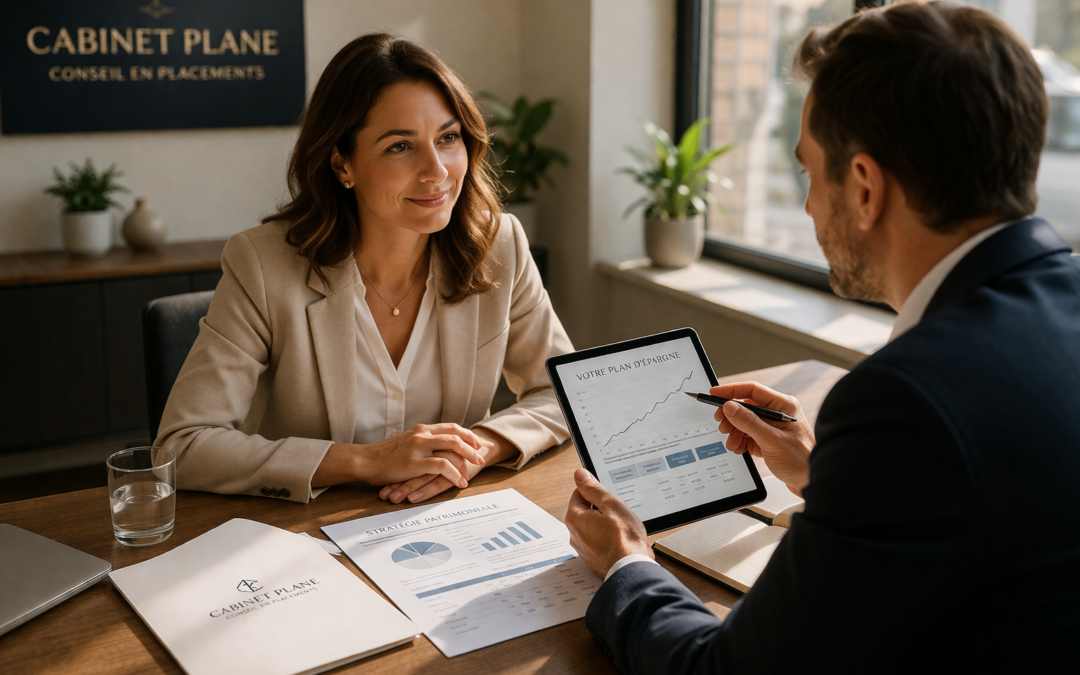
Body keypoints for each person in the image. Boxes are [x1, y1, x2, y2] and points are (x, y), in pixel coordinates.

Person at [564, 2, 1080, 672]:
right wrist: (830, 477)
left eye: (808, 170)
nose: (806, 203)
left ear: (864, 187)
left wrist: (626, 562)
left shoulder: (907, 401)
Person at [156, 33, 572, 504]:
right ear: (342, 163)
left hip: (441, 517)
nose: (436, 170)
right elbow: (182, 446)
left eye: (448, 138)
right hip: (302, 533)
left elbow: (563, 393)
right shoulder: (263, 264)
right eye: (400, 146)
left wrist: (474, 450)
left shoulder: (500, 245)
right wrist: (368, 461)